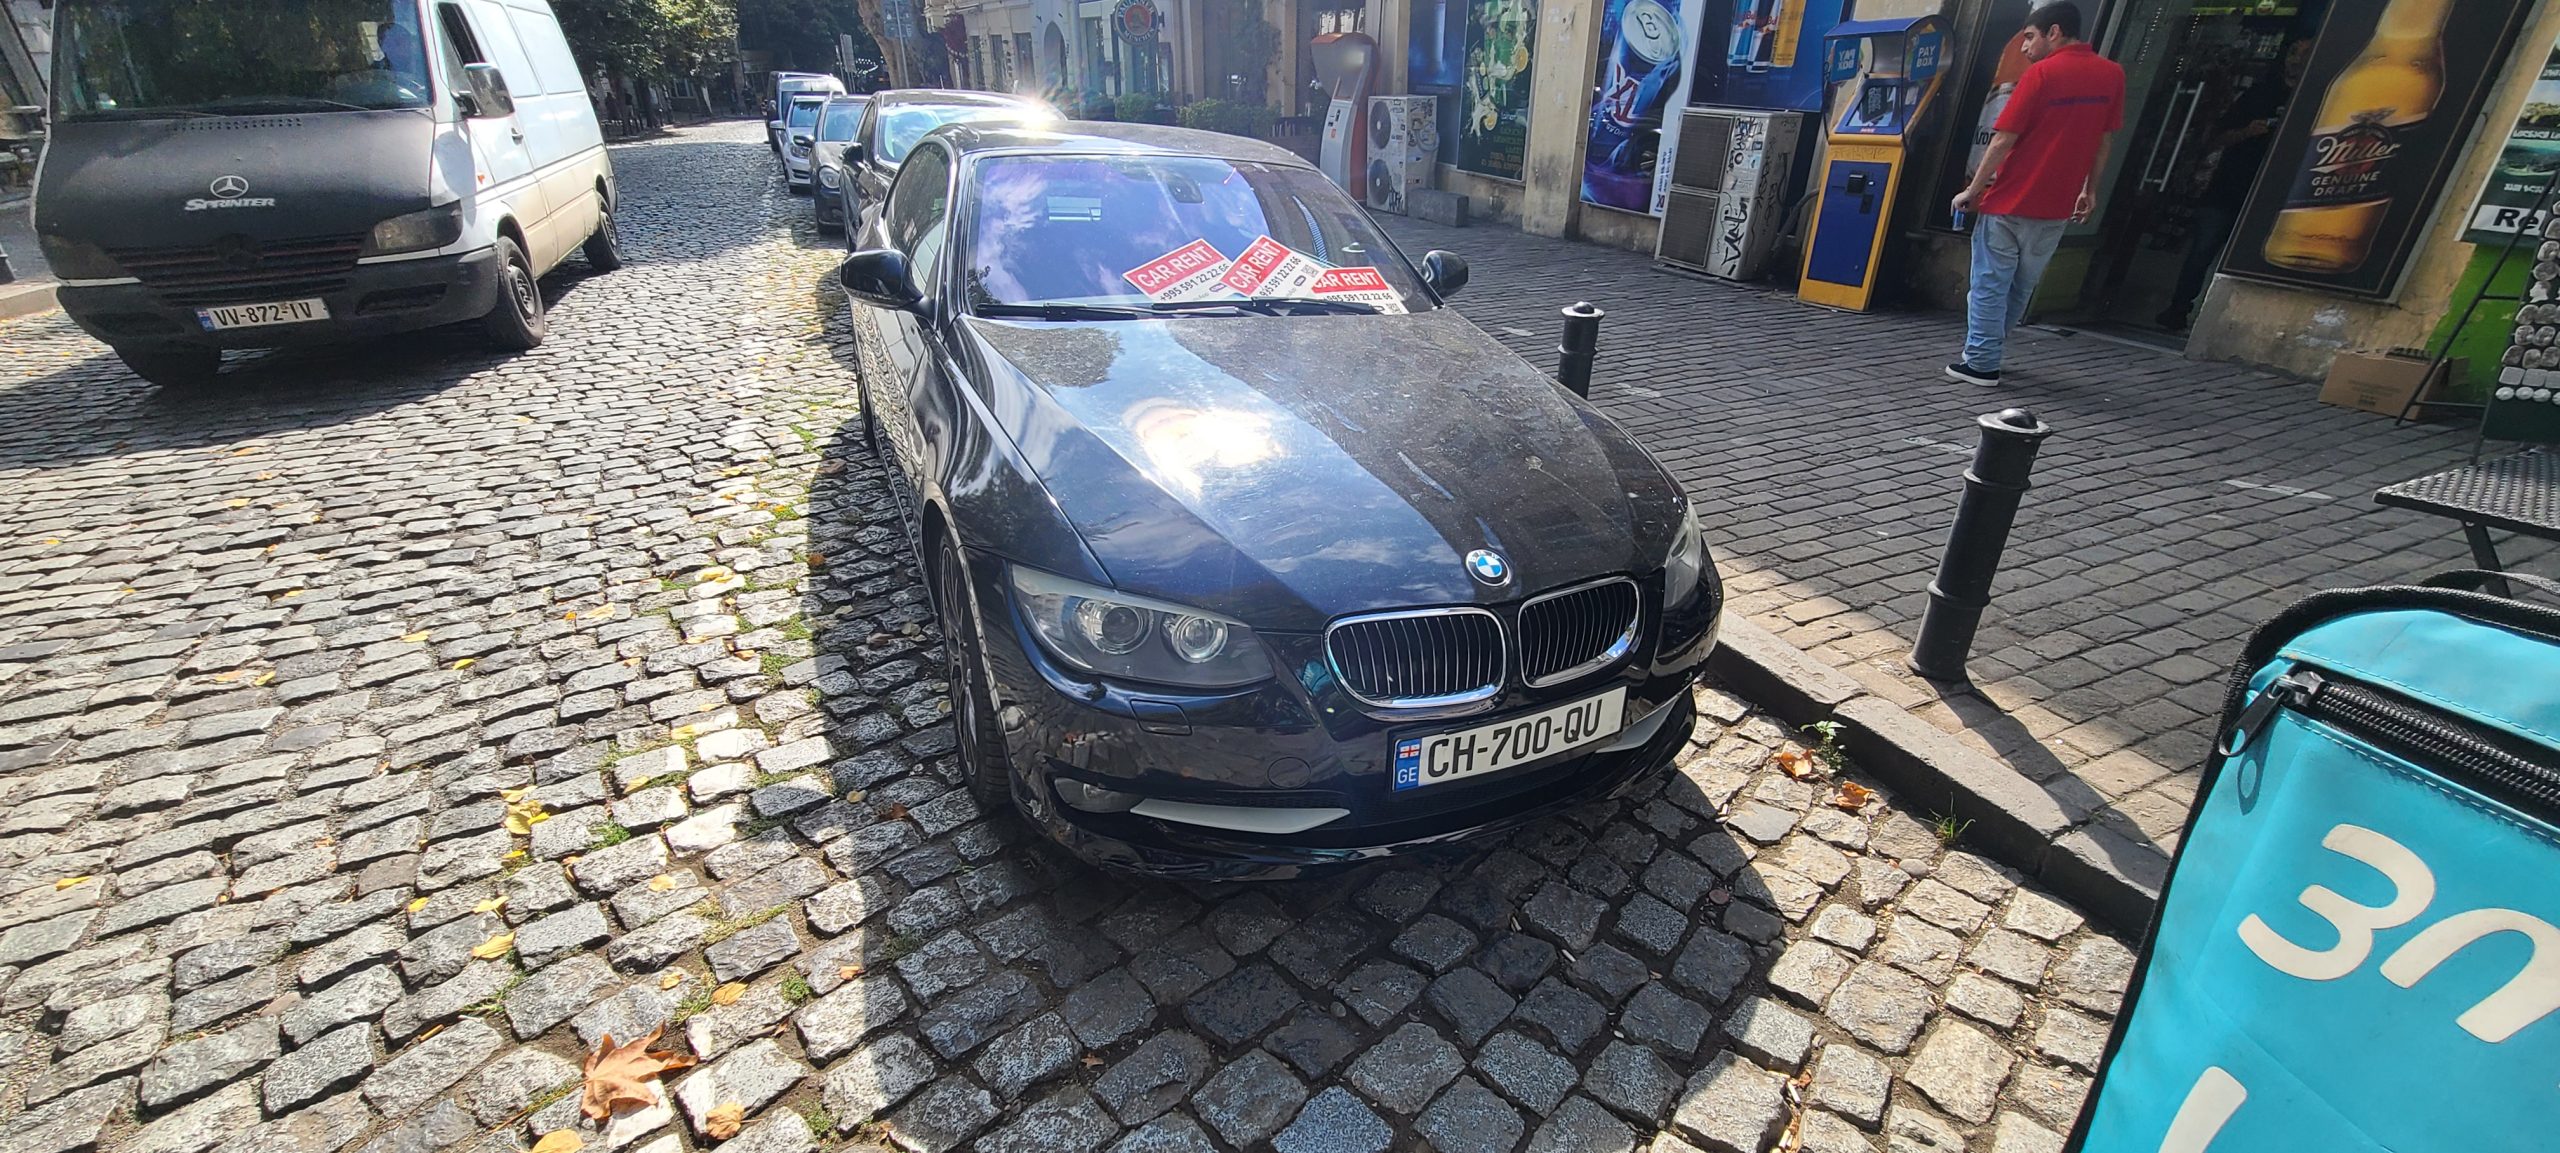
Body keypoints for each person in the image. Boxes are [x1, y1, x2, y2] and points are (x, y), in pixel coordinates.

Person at [1945, 2, 2124, 387]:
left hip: (2012, 198)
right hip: (2057, 206)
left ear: (2054, 32)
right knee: (2021, 285)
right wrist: (2089, 191)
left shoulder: (2041, 74)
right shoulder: (2112, 75)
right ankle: (1991, 350)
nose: (2025, 47)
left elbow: (2002, 140)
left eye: (2029, 37)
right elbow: (2103, 141)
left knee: (1991, 283)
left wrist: (1972, 191)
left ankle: (1981, 362)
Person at [2157, 39, 2312, 330]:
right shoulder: (2260, 93)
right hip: (2228, 189)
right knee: (2201, 253)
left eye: (2304, 54)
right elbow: (2217, 139)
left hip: (2275, 196)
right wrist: (2247, 131)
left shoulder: (2315, 100)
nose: (2296, 59)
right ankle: (2178, 310)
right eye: (2293, 52)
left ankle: (2231, 324)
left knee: (2253, 262)